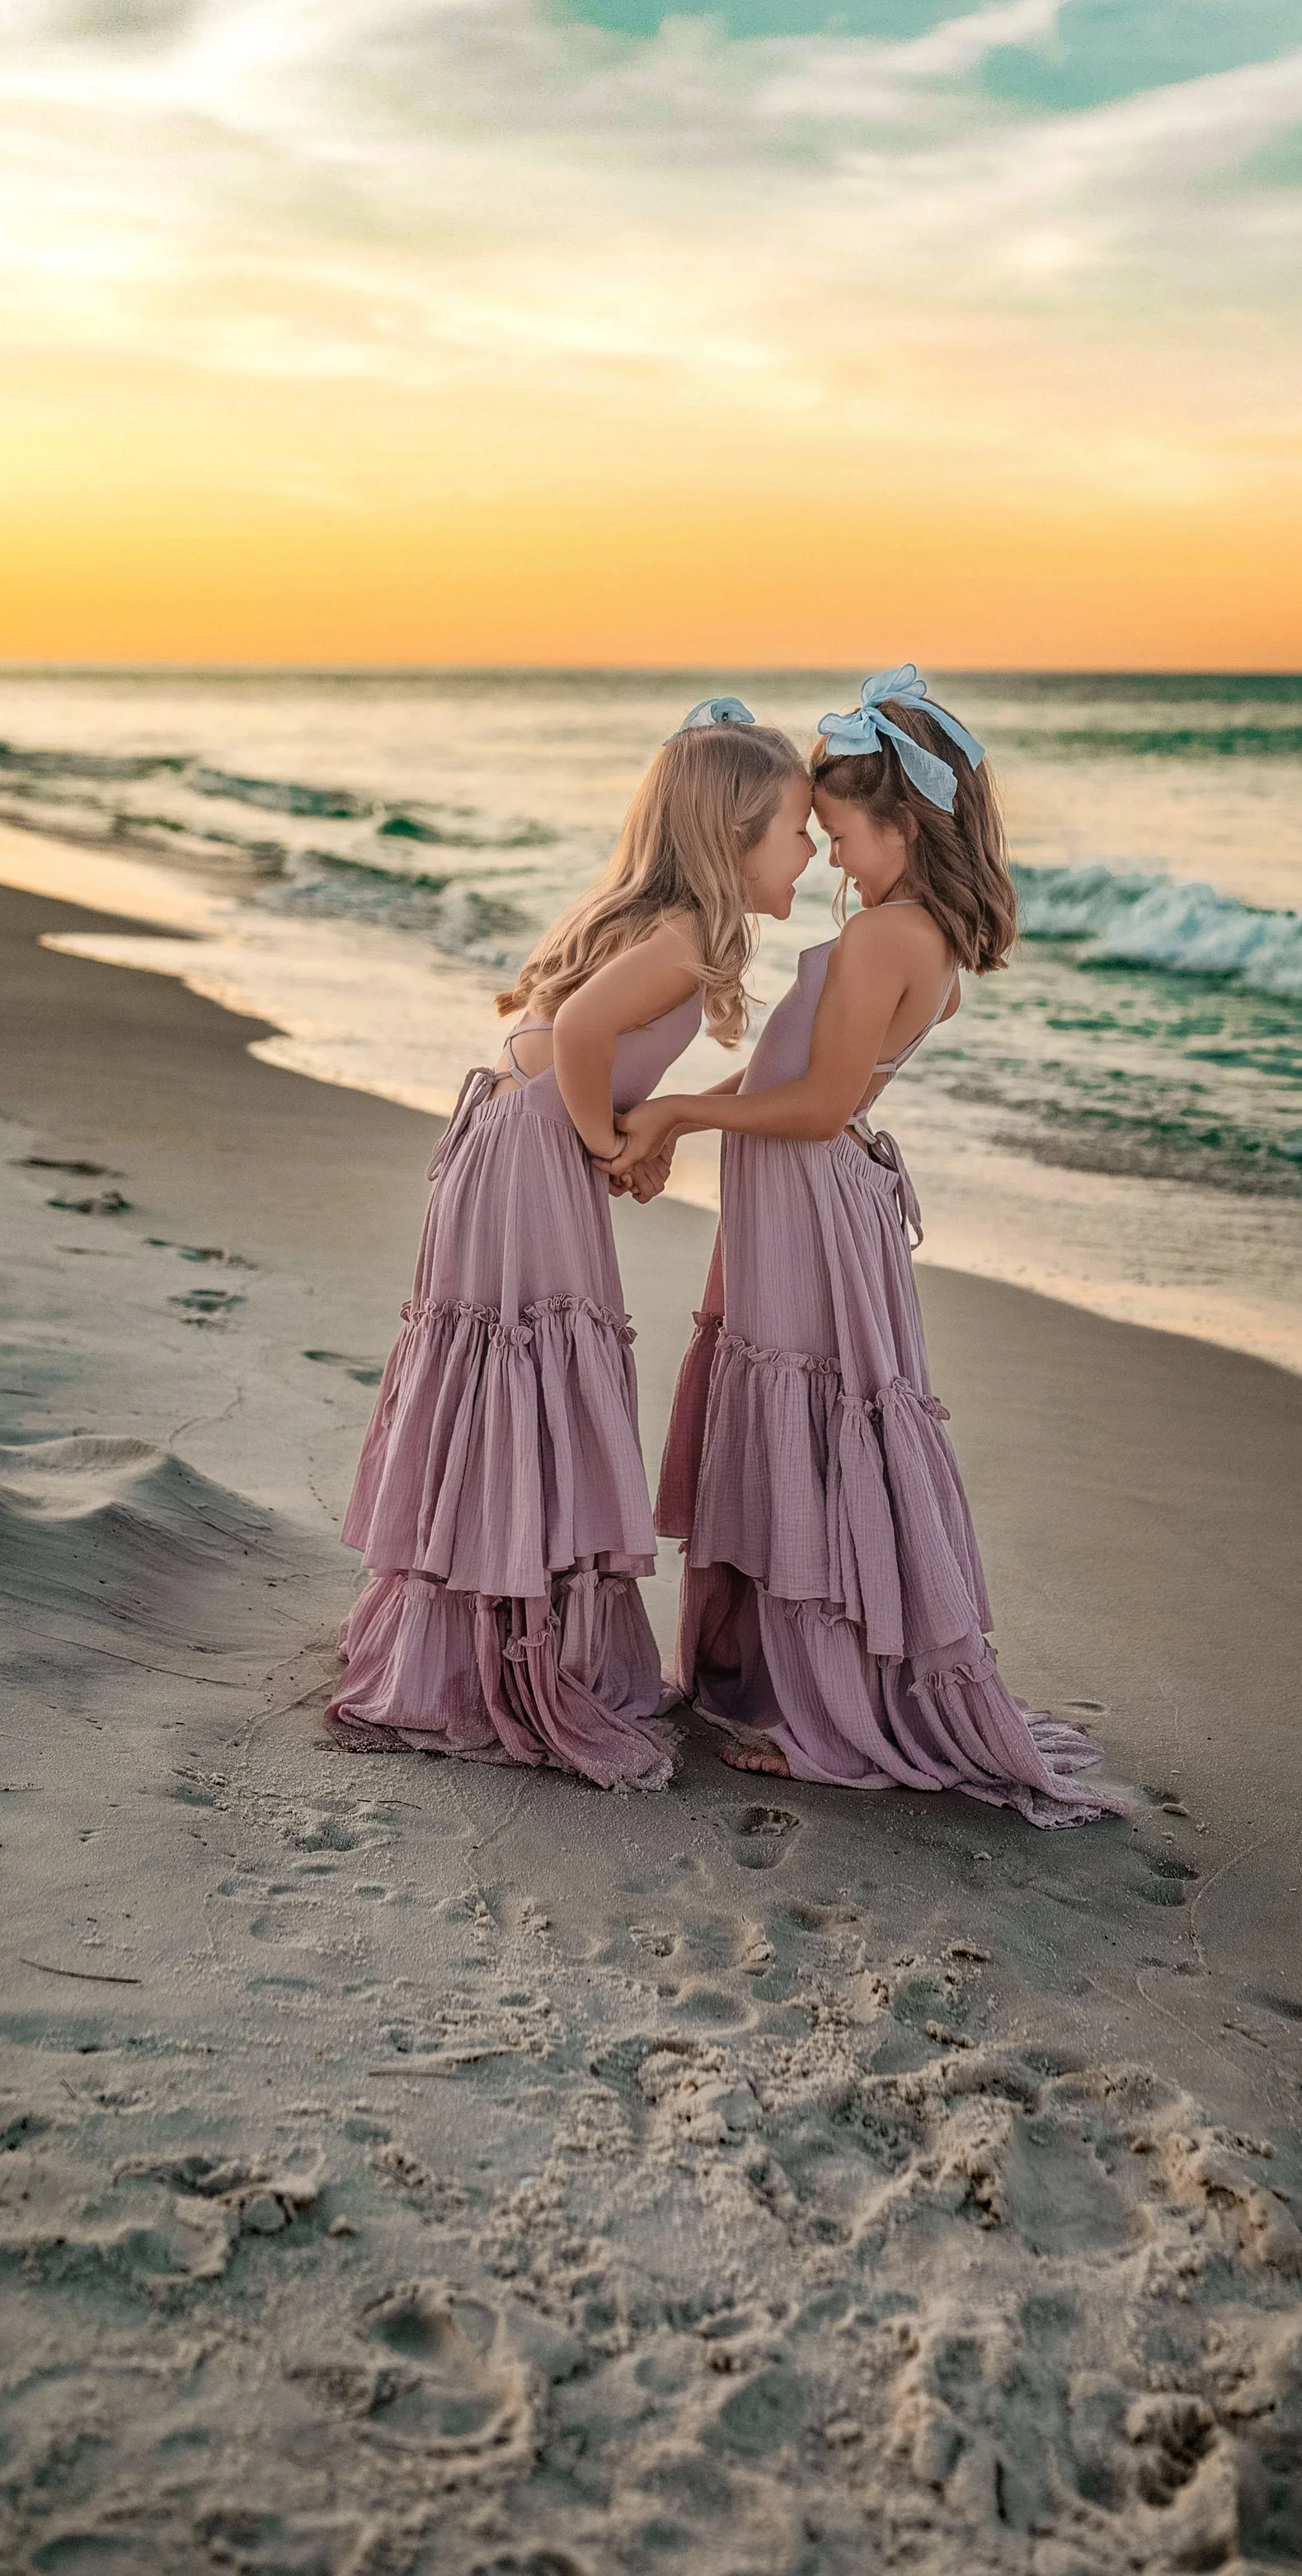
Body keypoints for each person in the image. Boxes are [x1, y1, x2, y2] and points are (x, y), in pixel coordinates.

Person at [619, 666, 1118, 1826]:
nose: (831, 856)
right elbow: (791, 1079)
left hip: (810, 1205)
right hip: (792, 1205)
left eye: (839, 831)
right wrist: (682, 1115)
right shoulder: (907, 929)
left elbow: (822, 1103)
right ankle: (776, 1684)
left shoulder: (893, 937)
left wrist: (686, 1115)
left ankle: (824, 1713)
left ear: (906, 820)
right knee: (794, 1433)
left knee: (814, 1445)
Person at [329, 698, 814, 1789]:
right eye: (794, 827)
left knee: (520, 1382)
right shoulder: (683, 940)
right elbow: (588, 1035)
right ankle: (504, 1647)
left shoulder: (669, 931)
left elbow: (580, 1037)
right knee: (534, 1380)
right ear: (732, 834)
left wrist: (625, 1136)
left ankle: (479, 1629)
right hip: (534, 1157)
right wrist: (610, 1148)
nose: (812, 845)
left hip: (511, 1147)